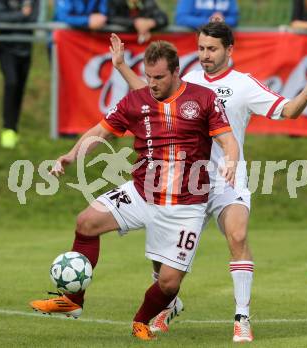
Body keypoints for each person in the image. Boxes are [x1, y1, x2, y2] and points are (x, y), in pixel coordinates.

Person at [109, 21, 307, 342]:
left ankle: (242, 317)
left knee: (238, 235)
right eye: (201, 48)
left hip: (227, 181)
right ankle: (169, 304)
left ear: (229, 50)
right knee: (162, 260)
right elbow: (147, 94)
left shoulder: (243, 85)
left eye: (212, 49)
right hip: (185, 183)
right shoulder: (184, 80)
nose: (205, 54)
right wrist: (121, 66)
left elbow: (288, 111)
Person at [29, 40, 239, 341]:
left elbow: (228, 140)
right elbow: (100, 130)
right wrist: (72, 154)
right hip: (142, 192)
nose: (152, 84)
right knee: (86, 222)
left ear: (177, 72)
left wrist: (230, 160)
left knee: (168, 283)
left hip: (186, 204)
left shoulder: (204, 99)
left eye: (159, 77)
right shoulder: (135, 101)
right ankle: (73, 302)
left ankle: (141, 320)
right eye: (148, 76)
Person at [0, 0, 39, 149]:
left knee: (20, 88)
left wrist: (14, 17)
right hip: (7, 48)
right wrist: (21, 14)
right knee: (11, 83)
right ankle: (7, 128)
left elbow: (34, 17)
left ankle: (14, 128)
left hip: (26, 49)